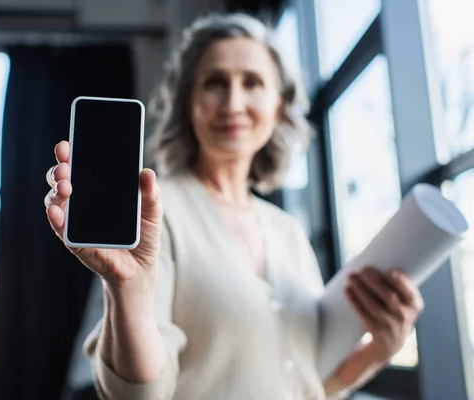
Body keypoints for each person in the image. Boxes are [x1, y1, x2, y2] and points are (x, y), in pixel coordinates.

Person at [44, 13, 424, 400]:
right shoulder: (153, 212)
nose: (233, 102)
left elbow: (310, 386)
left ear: (278, 107)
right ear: (188, 104)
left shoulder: (288, 230)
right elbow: (137, 395)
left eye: (253, 83)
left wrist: (381, 350)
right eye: (214, 83)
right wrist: (126, 290)